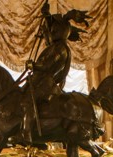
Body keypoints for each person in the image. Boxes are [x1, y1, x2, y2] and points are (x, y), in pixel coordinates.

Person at [20, 1, 90, 141]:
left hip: (46, 84)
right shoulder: (56, 46)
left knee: (27, 102)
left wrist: (34, 66)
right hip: (40, 81)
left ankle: (26, 136)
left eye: (50, 31)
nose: (47, 35)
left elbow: (47, 66)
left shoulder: (60, 48)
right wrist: (46, 15)